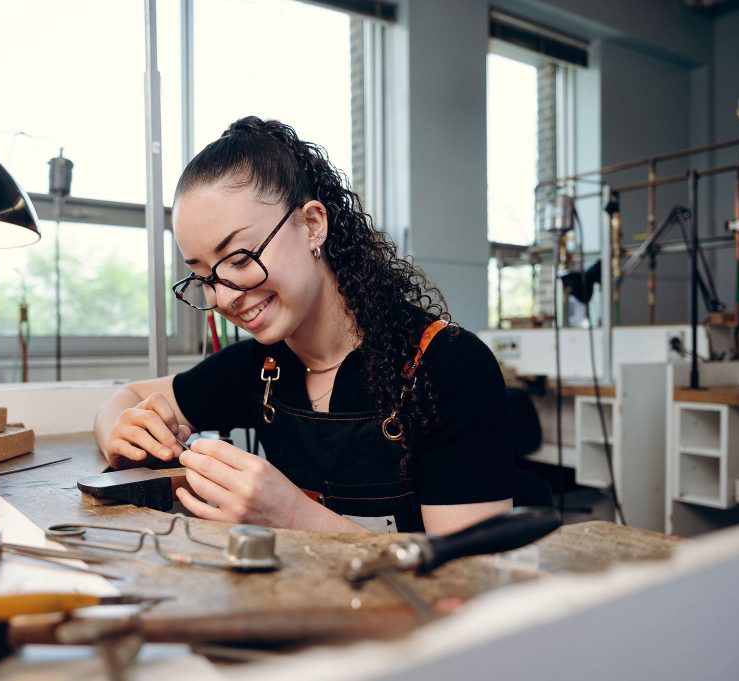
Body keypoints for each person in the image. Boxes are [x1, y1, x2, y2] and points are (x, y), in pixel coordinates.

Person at [94, 116, 512, 535]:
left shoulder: (449, 367)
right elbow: (127, 396)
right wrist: (122, 429)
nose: (223, 297)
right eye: (203, 277)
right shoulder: (261, 367)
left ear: (312, 225)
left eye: (239, 259)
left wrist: (291, 516)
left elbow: (469, 578)